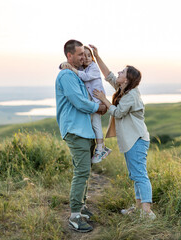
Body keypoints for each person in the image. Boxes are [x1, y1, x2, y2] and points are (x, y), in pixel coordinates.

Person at [90, 44, 156, 219]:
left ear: (127, 79)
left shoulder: (132, 95)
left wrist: (103, 99)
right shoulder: (123, 89)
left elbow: (118, 113)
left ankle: (147, 212)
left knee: (140, 174)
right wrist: (97, 56)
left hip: (137, 139)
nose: (118, 73)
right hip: (131, 140)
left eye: (122, 72)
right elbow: (108, 75)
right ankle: (138, 207)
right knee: (135, 174)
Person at [55, 39, 107, 232]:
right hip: (75, 130)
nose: (83, 57)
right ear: (69, 55)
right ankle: (75, 215)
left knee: (85, 171)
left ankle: (82, 206)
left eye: (84, 54)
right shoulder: (67, 75)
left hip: (85, 131)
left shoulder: (78, 74)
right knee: (81, 172)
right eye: (79, 54)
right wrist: (99, 107)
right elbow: (79, 101)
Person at [60, 46, 112, 164]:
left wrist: (73, 70)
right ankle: (101, 147)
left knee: (96, 124)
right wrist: (64, 65)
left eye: (89, 55)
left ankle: (100, 148)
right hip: (93, 100)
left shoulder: (93, 67)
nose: (86, 58)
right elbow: (72, 66)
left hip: (97, 99)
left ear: (92, 57)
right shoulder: (84, 67)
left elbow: (85, 77)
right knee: (93, 124)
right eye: (84, 55)